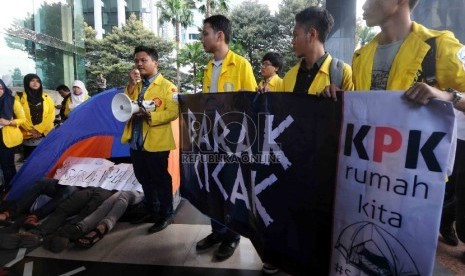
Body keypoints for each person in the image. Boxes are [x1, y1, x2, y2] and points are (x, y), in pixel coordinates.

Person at [344, 0, 465, 257]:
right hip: (368, 175)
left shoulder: (439, 45)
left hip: (415, 185)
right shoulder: (361, 56)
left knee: (404, 256)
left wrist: (447, 96)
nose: (364, 5)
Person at [196, 14, 257, 262]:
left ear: (219, 36)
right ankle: (217, 231)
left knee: (232, 188)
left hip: (233, 141)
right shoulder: (208, 68)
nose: (202, 38)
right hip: (210, 138)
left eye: (205, 33)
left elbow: (251, 103)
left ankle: (233, 235)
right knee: (213, 187)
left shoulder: (241, 65)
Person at [121, 45, 179, 234]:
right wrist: (130, 85)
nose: (139, 64)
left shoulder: (168, 87)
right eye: (136, 60)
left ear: (155, 62)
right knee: (143, 178)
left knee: (160, 180)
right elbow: (124, 104)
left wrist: (150, 117)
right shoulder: (135, 85)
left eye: (143, 60)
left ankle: (166, 214)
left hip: (157, 143)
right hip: (137, 141)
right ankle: (152, 210)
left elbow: (173, 112)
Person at [280, 6, 353, 94]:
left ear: (312, 34)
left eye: (295, 35)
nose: (292, 42)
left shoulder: (344, 73)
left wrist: (339, 97)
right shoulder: (289, 77)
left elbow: (352, 106)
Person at [16, 74, 55, 159]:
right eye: (32, 80)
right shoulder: (19, 97)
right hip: (28, 136)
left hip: (44, 135)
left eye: (37, 81)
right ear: (27, 82)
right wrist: (31, 130)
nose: (35, 83)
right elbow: (18, 116)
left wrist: (39, 129)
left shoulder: (46, 97)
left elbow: (51, 115)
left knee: (45, 160)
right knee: (30, 162)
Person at [0, 79, 25, 192]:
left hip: (7, 138)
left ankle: (11, 189)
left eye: (0, 88)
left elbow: (23, 119)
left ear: (4, 88)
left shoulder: (12, 101)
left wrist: (9, 122)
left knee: (7, 165)